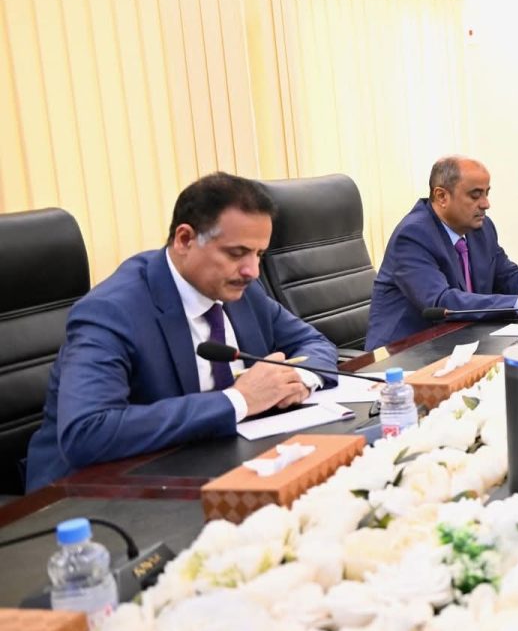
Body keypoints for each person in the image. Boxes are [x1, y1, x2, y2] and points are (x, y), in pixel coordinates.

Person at [26, 173, 338, 491]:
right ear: (185, 240)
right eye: (236, 253)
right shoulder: (112, 311)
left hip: (211, 464)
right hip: (90, 492)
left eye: (258, 255)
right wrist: (238, 400)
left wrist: (299, 380)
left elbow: (314, 343)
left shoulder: (241, 289)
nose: (252, 271)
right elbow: (87, 431)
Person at [367, 156, 518, 348]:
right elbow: (441, 302)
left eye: (486, 193)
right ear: (442, 196)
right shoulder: (413, 235)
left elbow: (508, 276)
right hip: (405, 353)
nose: (486, 204)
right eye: (475, 195)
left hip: (461, 341)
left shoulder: (481, 228)